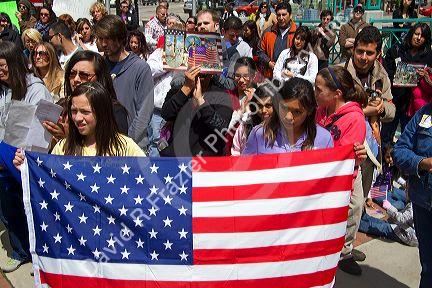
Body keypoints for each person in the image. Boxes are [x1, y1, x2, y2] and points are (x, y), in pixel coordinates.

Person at [338, 26, 396, 275]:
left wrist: (380, 109)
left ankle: (346, 246)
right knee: (349, 201)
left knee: (360, 201)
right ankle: (342, 252)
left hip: (371, 146)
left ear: (377, 53)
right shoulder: (339, 72)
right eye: (359, 51)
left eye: (369, 53)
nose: (363, 57)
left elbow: (392, 110)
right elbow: (332, 109)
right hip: (345, 147)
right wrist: (365, 111)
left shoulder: (381, 74)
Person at [0, 41, 52, 273]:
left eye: (2, 66)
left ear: (14, 63)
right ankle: (20, 250)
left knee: (32, 210)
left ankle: (41, 255)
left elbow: (41, 132)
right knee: (9, 209)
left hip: (24, 162)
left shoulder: (36, 89)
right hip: (3, 161)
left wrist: (21, 161)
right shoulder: (3, 89)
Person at [13, 82, 145, 161]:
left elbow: (148, 179)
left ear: (102, 113)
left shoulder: (126, 146)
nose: (77, 118)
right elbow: (49, 180)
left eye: (85, 112)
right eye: (74, 111)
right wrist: (26, 166)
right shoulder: (63, 146)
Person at [94, 15, 154, 150]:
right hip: (103, 145)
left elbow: (144, 112)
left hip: (133, 147)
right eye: (101, 38)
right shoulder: (99, 66)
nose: (103, 44)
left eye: (108, 39)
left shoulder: (140, 68)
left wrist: (126, 142)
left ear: (121, 39)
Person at [392, 103, 432, 287]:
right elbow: (399, 151)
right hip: (424, 204)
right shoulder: (424, 114)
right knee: (428, 267)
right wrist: (422, 162)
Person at [243, 77, 333, 155]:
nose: (288, 117)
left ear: (309, 111)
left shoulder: (324, 139)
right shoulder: (259, 134)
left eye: (297, 112)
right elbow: (246, 170)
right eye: (284, 108)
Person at [161, 65, 233, 157]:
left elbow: (222, 127)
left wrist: (201, 103)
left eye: (202, 75)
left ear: (211, 74)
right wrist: (186, 89)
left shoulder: (222, 96)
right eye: (194, 73)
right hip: (177, 159)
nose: (198, 78)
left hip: (204, 162)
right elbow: (166, 114)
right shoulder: (180, 89)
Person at [382, 23, 432, 148]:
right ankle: (385, 161)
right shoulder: (396, 50)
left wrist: (426, 77)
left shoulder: (429, 55)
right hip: (394, 99)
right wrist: (401, 75)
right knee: (386, 137)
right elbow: (385, 72)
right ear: (411, 34)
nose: (418, 38)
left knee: (410, 139)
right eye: (416, 34)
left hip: (415, 105)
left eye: (423, 36)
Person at [231, 83, 275, 155]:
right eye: (260, 106)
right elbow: (236, 151)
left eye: (268, 106)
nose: (264, 110)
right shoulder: (246, 125)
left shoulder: (282, 128)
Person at [258, 2, 297, 78]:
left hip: (291, 77)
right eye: (278, 15)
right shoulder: (268, 32)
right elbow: (259, 51)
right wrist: (268, 62)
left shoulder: (297, 33)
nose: (281, 18)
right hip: (271, 75)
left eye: (284, 14)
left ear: (290, 15)